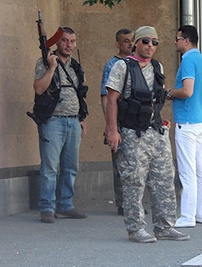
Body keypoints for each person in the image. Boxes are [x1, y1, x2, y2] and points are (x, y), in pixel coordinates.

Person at [105, 26, 189, 243]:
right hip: (132, 133)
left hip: (156, 132)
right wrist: (112, 130)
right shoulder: (121, 66)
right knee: (134, 181)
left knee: (164, 179)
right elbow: (112, 99)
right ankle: (136, 229)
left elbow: (157, 97)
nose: (150, 46)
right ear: (136, 43)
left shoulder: (157, 66)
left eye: (154, 42)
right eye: (145, 41)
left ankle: (165, 226)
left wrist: (160, 120)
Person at [33, 27, 89, 223]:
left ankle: (65, 205)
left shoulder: (75, 66)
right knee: (49, 167)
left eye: (72, 41)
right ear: (58, 42)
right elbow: (39, 89)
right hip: (53, 121)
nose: (69, 45)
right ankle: (47, 207)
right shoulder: (45, 62)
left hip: (73, 120)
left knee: (70, 167)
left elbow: (80, 93)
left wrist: (82, 119)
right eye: (65, 41)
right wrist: (51, 68)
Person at [170, 25, 202, 228]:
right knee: (200, 170)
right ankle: (201, 213)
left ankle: (187, 216)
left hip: (186, 120)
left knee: (187, 171)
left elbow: (187, 91)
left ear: (186, 40)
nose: (175, 42)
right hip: (201, 119)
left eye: (177, 38)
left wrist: (169, 92)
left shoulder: (187, 60)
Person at [100, 28, 133, 216]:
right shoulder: (112, 64)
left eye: (131, 40)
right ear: (117, 44)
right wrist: (109, 125)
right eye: (126, 41)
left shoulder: (136, 63)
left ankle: (133, 200)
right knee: (120, 164)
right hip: (118, 121)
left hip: (134, 122)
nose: (129, 44)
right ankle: (122, 203)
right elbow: (106, 96)